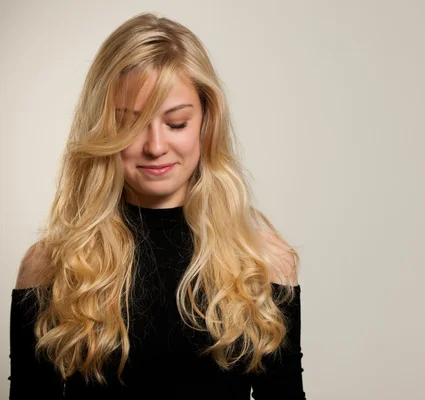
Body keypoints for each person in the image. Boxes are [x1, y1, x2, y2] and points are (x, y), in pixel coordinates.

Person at [9, 12, 305, 399]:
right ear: (103, 129)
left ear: (206, 122)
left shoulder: (263, 261)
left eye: (176, 123)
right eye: (130, 124)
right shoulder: (52, 265)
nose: (154, 146)